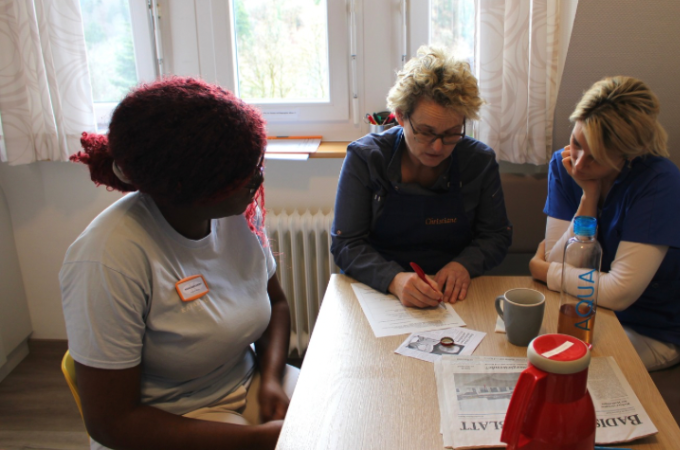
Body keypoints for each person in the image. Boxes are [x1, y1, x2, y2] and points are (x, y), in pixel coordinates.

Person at [60, 77, 298, 450]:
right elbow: (111, 423)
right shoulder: (108, 259)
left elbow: (277, 304)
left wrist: (270, 378)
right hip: (170, 421)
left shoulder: (238, 214)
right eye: (241, 174)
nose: (258, 178)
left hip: (250, 383)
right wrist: (256, 440)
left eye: (255, 164)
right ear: (187, 187)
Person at [529, 76, 680, 371]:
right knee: (527, 351)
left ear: (629, 155)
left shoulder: (660, 184)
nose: (579, 164)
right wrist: (589, 196)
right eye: (576, 143)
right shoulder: (565, 164)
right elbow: (559, 259)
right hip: (587, 308)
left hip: (652, 327)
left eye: (597, 157)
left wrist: (545, 272)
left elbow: (618, 292)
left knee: (564, 370)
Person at [331, 46, 512, 308]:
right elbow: (346, 244)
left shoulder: (479, 162)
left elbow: (496, 236)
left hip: (451, 294)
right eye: (426, 132)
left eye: (451, 133)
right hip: (379, 292)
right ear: (401, 116)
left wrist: (464, 265)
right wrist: (393, 279)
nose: (438, 147)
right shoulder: (366, 159)